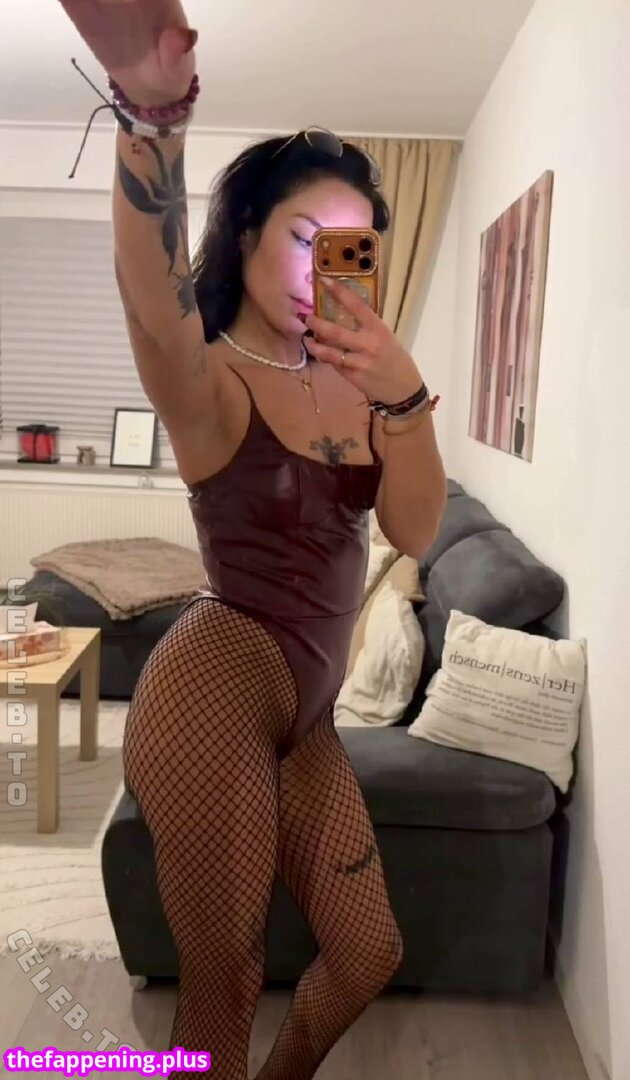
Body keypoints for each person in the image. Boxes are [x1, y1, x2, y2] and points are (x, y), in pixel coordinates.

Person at [60, 3, 448, 1077]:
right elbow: (155, 301)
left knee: (367, 953)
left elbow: (414, 527)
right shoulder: (212, 377)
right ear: (246, 236)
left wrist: (404, 392)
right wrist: (154, 117)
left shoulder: (368, 389)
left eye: (350, 248)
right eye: (303, 237)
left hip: (308, 717)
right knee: (222, 985)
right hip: (214, 688)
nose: (324, 266)